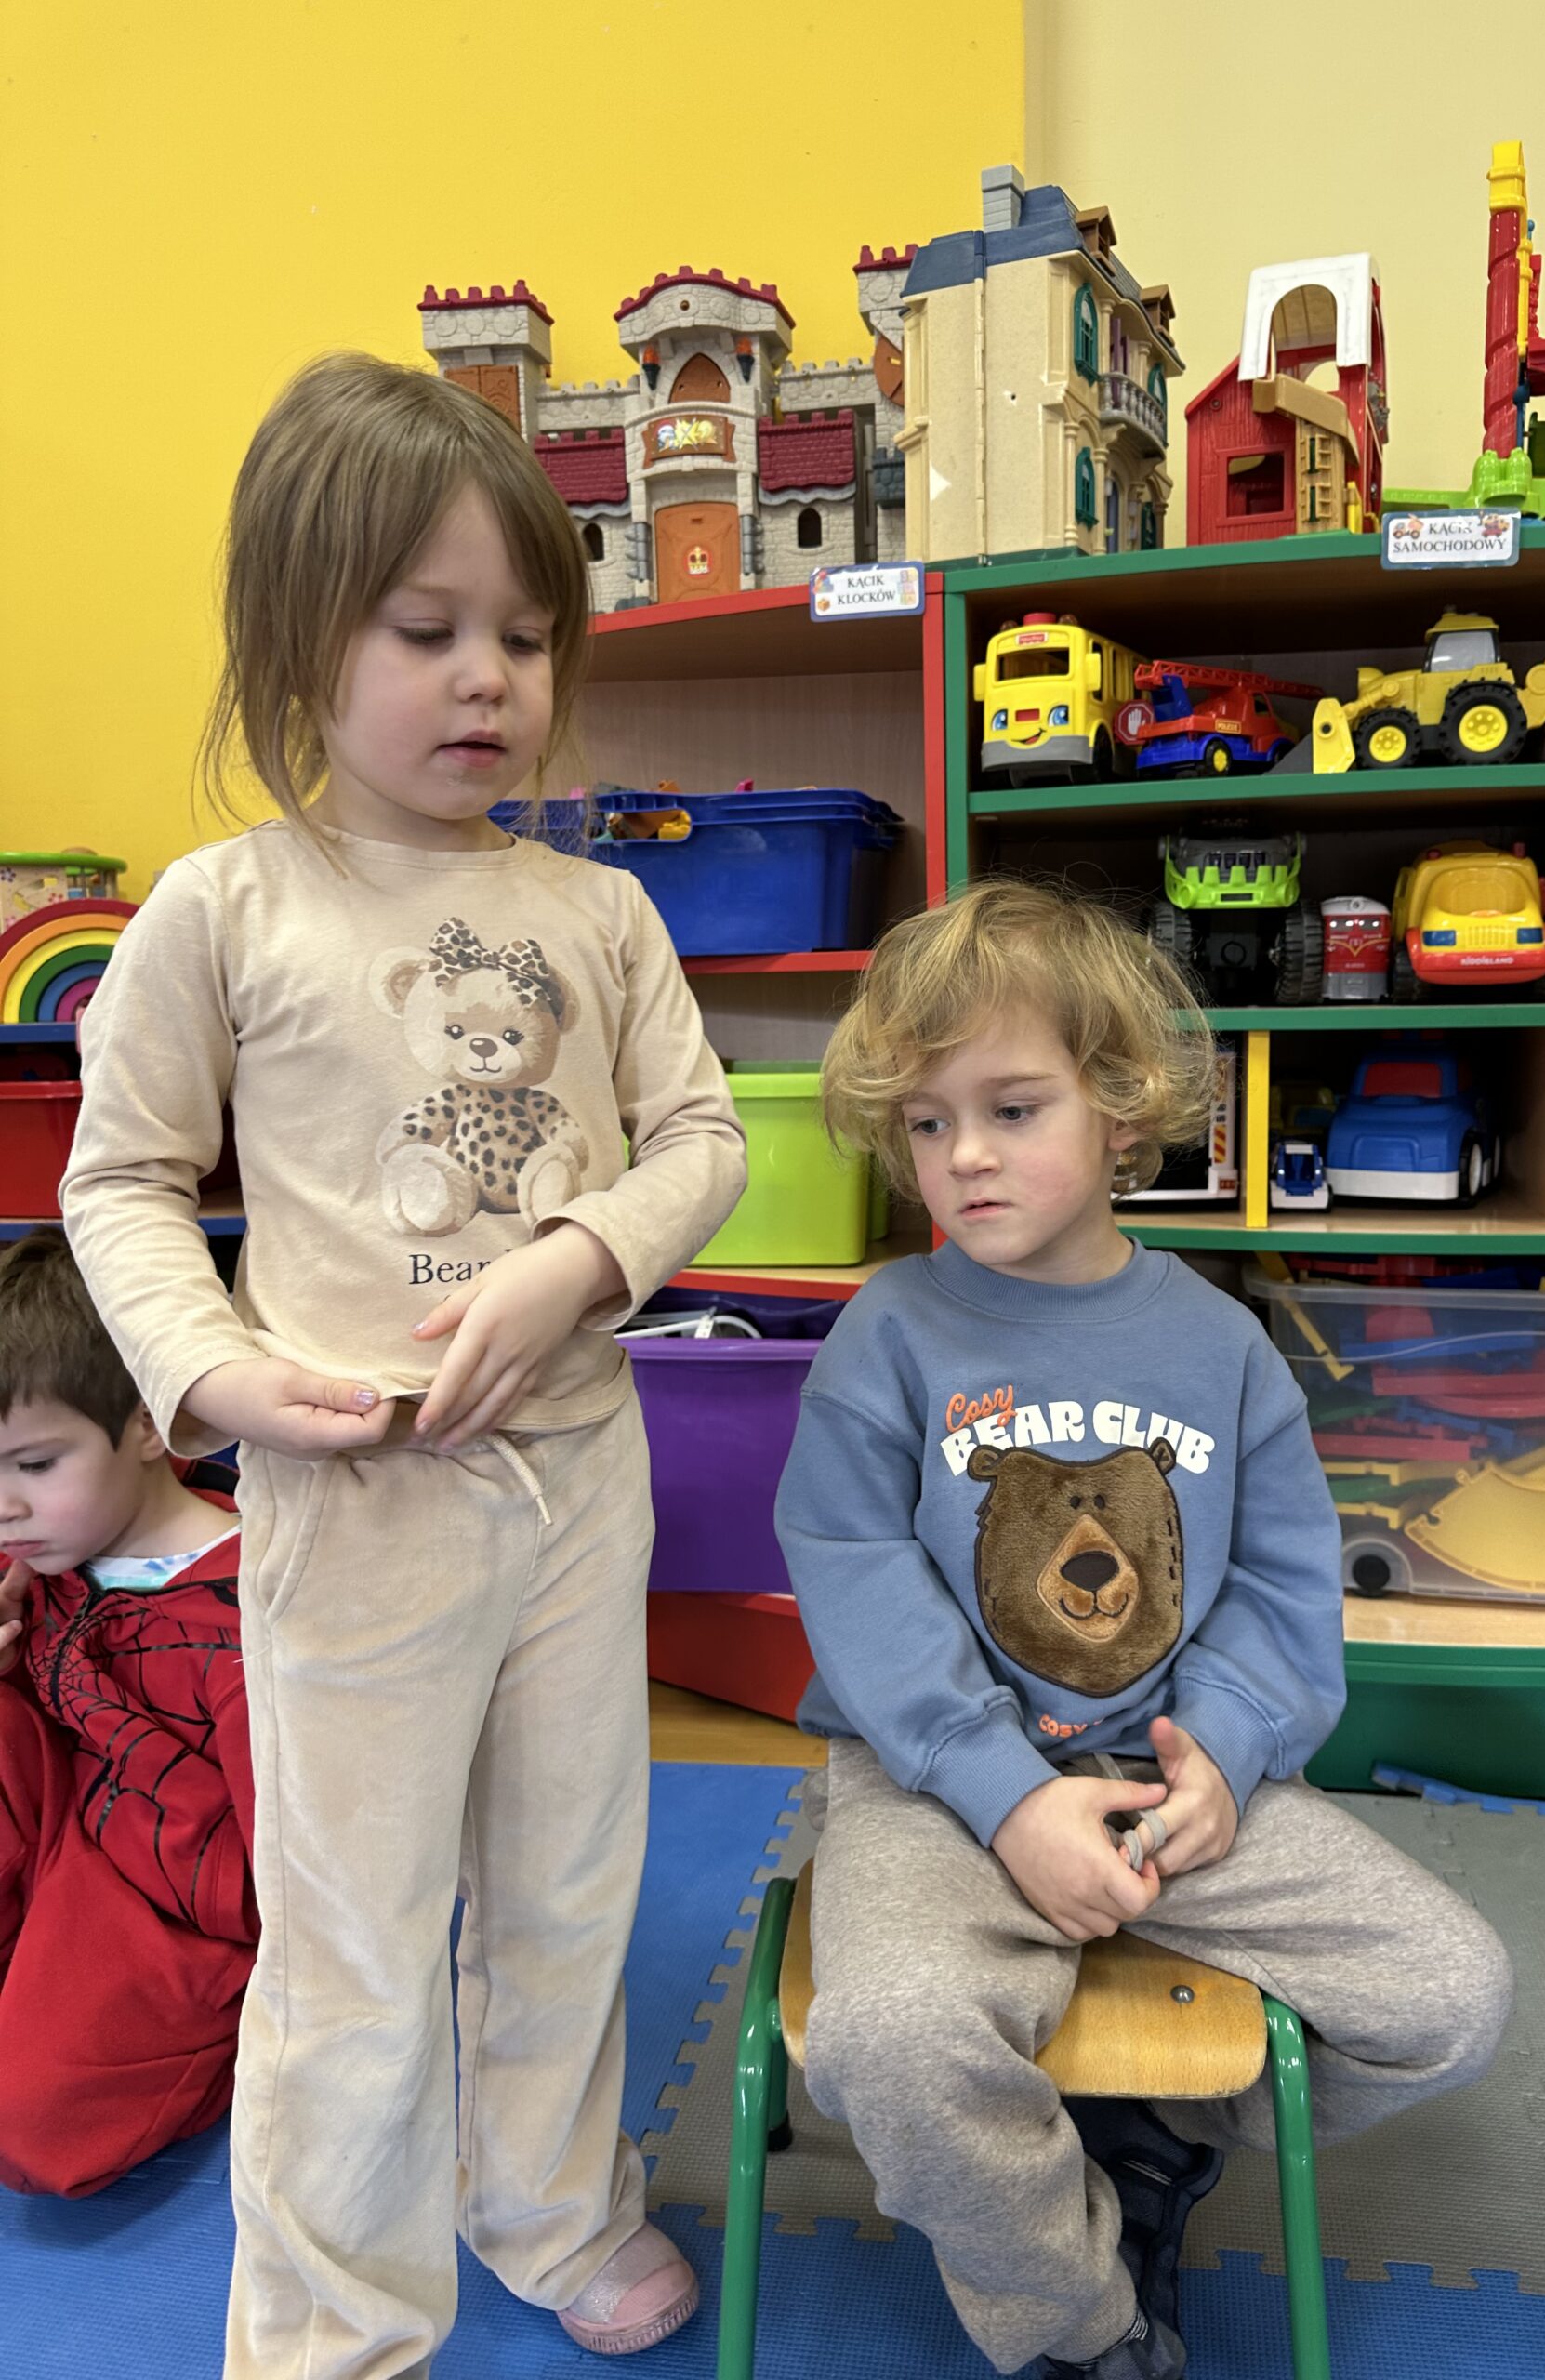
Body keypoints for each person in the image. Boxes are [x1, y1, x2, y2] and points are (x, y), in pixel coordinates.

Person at [59, 354, 746, 2376]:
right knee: (353, 1933)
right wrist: (212, 1376)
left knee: (568, 1881)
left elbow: (703, 1139)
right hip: (351, 1505)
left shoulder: (598, 909)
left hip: (576, 1476)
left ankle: (547, 2203)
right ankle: (328, 2325)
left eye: (524, 638)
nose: (487, 681)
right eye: (425, 629)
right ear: (300, 639)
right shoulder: (227, 909)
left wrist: (581, 1261)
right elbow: (119, 1180)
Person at [773, 879, 1514, 2380]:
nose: (963, 1156)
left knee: (1452, 1996)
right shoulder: (886, 1336)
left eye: (1011, 1108)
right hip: (937, 1791)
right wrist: (1007, 1794)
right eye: (927, 1122)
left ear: (1119, 1108)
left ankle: (1150, 2137)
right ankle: (1081, 2314)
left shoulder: (1224, 1347)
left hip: (1177, 1789)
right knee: (893, 2042)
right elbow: (851, 1572)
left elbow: (1286, 1588)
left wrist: (1225, 1757)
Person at [0, 1227, 250, 2196]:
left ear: (151, 1423)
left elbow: (285, 1888)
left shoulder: (250, 1621)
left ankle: (224, 2046)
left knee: (32, 2126)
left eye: (34, 1465)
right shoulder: (58, 1546)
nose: (5, 1504)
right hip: (70, 1827)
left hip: (179, 1896)